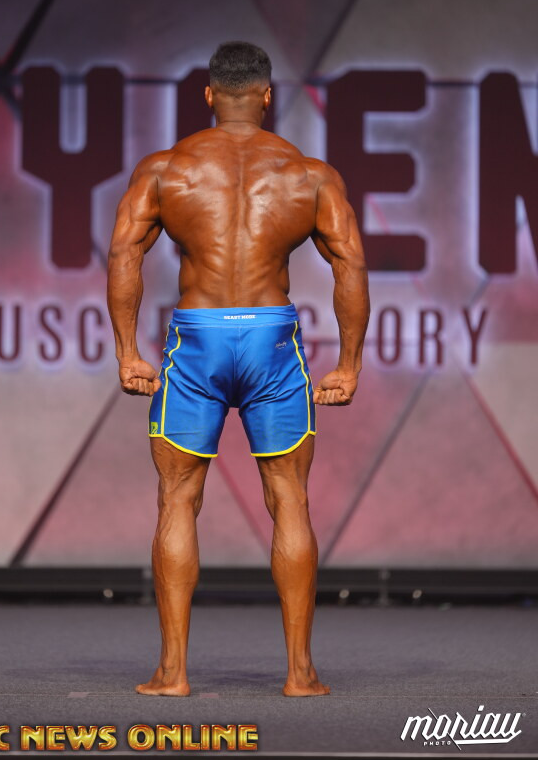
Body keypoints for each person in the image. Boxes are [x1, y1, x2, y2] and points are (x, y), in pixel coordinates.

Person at [106, 41, 369, 697]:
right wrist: (349, 364)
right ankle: (301, 674)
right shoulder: (308, 175)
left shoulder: (167, 169)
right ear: (267, 96)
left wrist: (127, 351)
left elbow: (124, 254)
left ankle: (173, 673)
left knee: (177, 499)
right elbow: (351, 264)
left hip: (197, 341)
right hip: (270, 342)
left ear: (208, 94)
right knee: (290, 499)